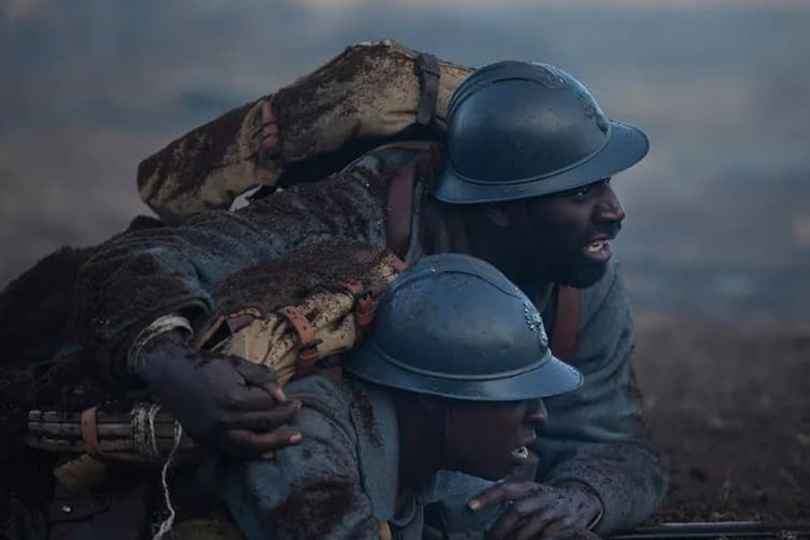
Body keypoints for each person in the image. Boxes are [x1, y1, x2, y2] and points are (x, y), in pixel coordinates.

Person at [70, 60, 667, 537]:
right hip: (284, 470)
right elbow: (134, 262)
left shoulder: (578, 275)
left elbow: (614, 444)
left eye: (606, 183)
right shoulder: (352, 218)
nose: (614, 212)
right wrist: (178, 368)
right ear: (503, 208)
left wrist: (580, 498)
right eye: (579, 192)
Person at [213, 253, 584, 540]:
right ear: (431, 397)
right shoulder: (305, 438)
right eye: (515, 395)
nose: (539, 414)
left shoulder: (436, 447)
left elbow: (486, 515)